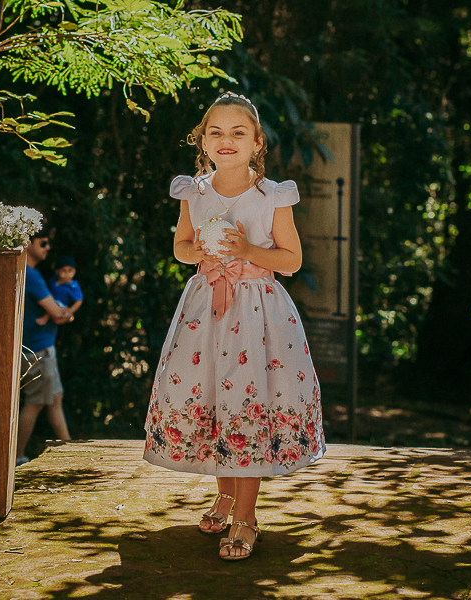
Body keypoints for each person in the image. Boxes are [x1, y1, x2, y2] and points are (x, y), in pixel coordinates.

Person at [142, 92, 326, 561]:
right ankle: (224, 495)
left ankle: (246, 515)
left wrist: (245, 251)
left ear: (257, 143)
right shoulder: (194, 192)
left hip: (258, 314)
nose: (227, 141)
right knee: (214, 399)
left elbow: (291, 259)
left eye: (238, 132)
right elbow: (181, 246)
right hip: (205, 310)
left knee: (248, 400)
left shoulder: (272, 195)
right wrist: (197, 253)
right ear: (202, 141)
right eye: (216, 132)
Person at [16, 227, 74, 466]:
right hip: (37, 351)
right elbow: (57, 313)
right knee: (36, 402)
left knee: (55, 397)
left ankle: (69, 450)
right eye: (43, 242)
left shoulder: (29, 273)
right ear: (28, 243)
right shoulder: (30, 275)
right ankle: (16, 457)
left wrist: (62, 313)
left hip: (40, 348)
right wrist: (67, 313)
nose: (48, 247)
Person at [35, 255, 83, 326]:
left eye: (70, 270)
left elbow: (79, 300)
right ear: (57, 271)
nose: (67, 273)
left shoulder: (73, 286)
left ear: (74, 271)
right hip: (50, 301)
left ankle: (45, 318)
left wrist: (71, 310)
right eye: (64, 270)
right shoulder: (53, 280)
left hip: (60, 305)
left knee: (54, 305)